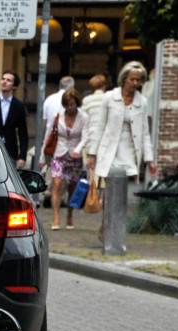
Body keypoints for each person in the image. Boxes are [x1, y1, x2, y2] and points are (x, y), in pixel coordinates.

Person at [86, 61, 157, 241]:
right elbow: (100, 127)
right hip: (110, 149)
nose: (135, 83)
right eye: (132, 79)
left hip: (130, 151)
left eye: (138, 80)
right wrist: (92, 154)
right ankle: (106, 223)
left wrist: (149, 160)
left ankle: (115, 226)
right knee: (109, 192)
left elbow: (145, 133)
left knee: (122, 193)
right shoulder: (109, 98)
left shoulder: (142, 101)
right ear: (124, 79)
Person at [45, 88, 88, 230]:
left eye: (73, 104)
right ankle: (56, 217)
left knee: (72, 187)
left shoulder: (83, 118)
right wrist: (42, 156)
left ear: (77, 104)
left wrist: (78, 150)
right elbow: (49, 136)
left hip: (75, 156)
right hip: (59, 154)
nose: (70, 107)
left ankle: (69, 215)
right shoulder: (58, 117)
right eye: (68, 104)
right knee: (56, 183)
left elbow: (85, 137)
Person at [0, 70, 29, 168]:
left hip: (10, 150)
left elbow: (23, 132)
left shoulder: (19, 106)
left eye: (8, 80)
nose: (4, 82)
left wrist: (22, 156)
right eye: (3, 79)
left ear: (14, 86)